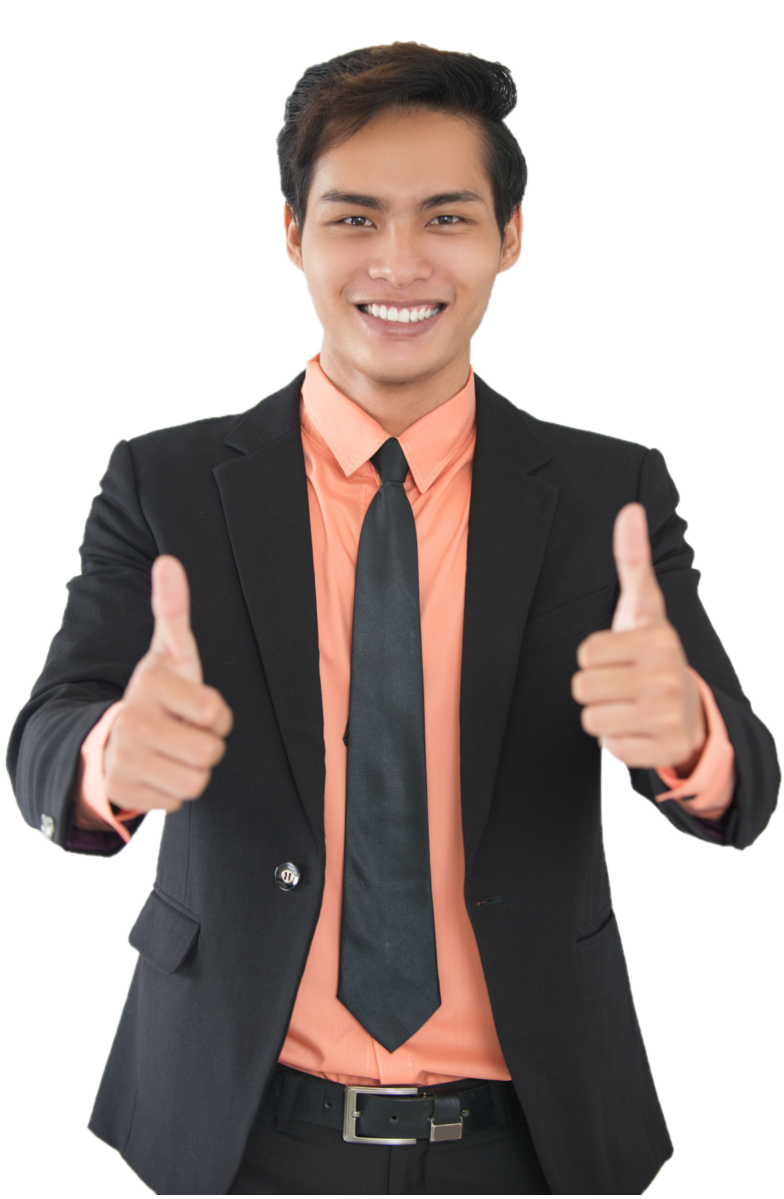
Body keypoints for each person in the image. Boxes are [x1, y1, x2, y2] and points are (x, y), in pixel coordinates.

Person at [6, 41, 779, 1197]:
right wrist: (114, 753)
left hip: (533, 1134)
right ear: (292, 234)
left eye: (447, 218)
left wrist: (686, 735)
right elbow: (46, 738)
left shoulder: (608, 492)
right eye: (356, 218)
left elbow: (747, 789)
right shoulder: (162, 481)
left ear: (511, 237)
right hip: (231, 1121)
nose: (400, 262)